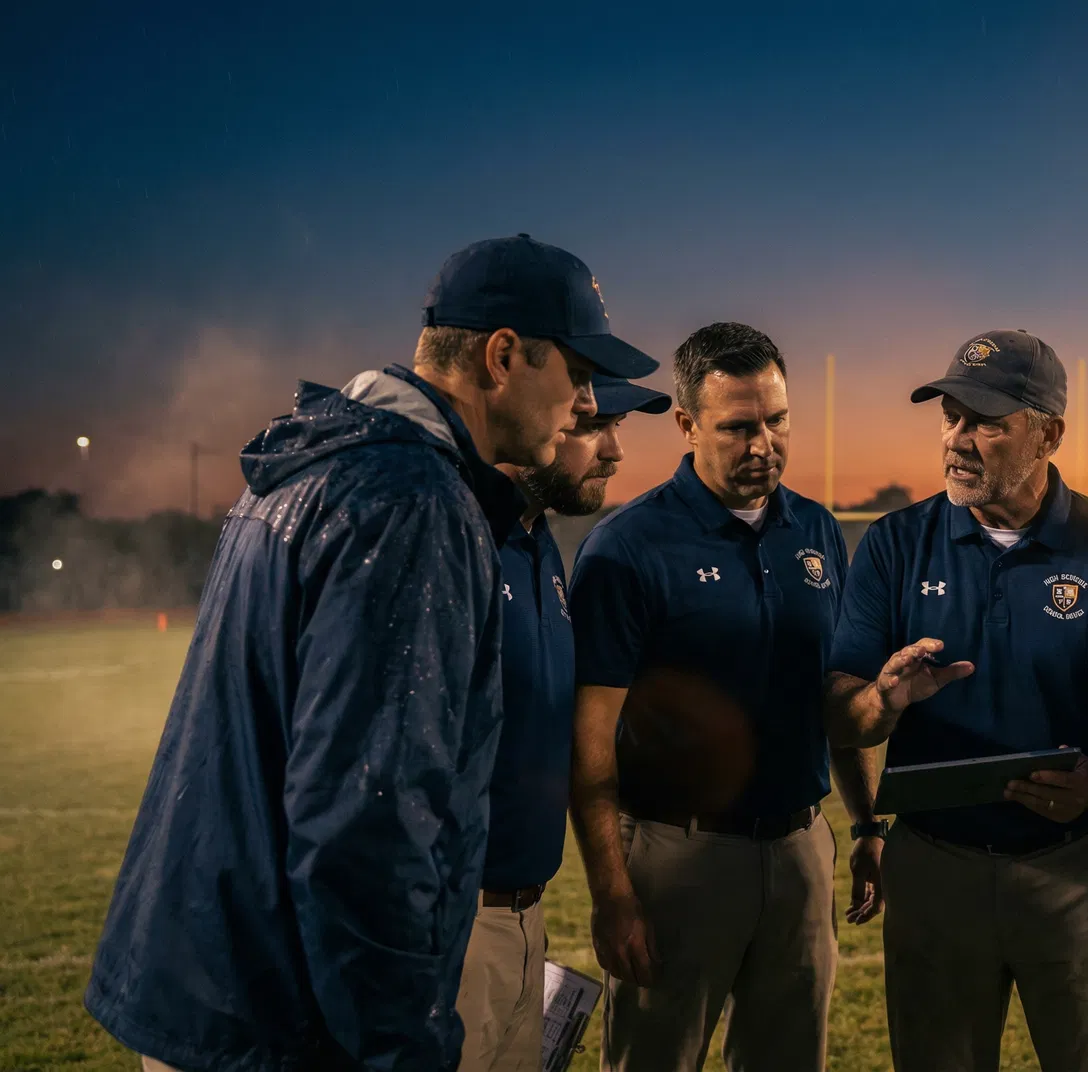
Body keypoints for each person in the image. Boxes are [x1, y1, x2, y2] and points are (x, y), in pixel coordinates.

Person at [85, 234, 658, 1072]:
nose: (581, 403)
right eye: (574, 372)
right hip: (277, 1014)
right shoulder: (411, 501)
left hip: (223, 979)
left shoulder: (325, 464)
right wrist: (401, 1049)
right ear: (503, 356)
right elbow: (366, 824)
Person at [824, 329, 1088, 1072]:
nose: (958, 439)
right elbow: (841, 710)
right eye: (951, 416)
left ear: (1047, 433)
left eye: (987, 422)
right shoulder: (896, 545)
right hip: (934, 869)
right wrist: (884, 702)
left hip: (1080, 865)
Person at [569, 323, 874, 1072]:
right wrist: (613, 895)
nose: (763, 443)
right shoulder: (627, 546)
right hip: (678, 857)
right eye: (739, 427)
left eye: (777, 420)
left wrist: (868, 822)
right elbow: (589, 740)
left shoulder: (816, 530)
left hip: (801, 846)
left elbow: (828, 694)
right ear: (686, 424)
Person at [455, 371, 670, 1071]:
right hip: (454, 925)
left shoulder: (537, 539)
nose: (614, 451)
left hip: (524, 914)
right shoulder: (459, 536)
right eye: (592, 425)